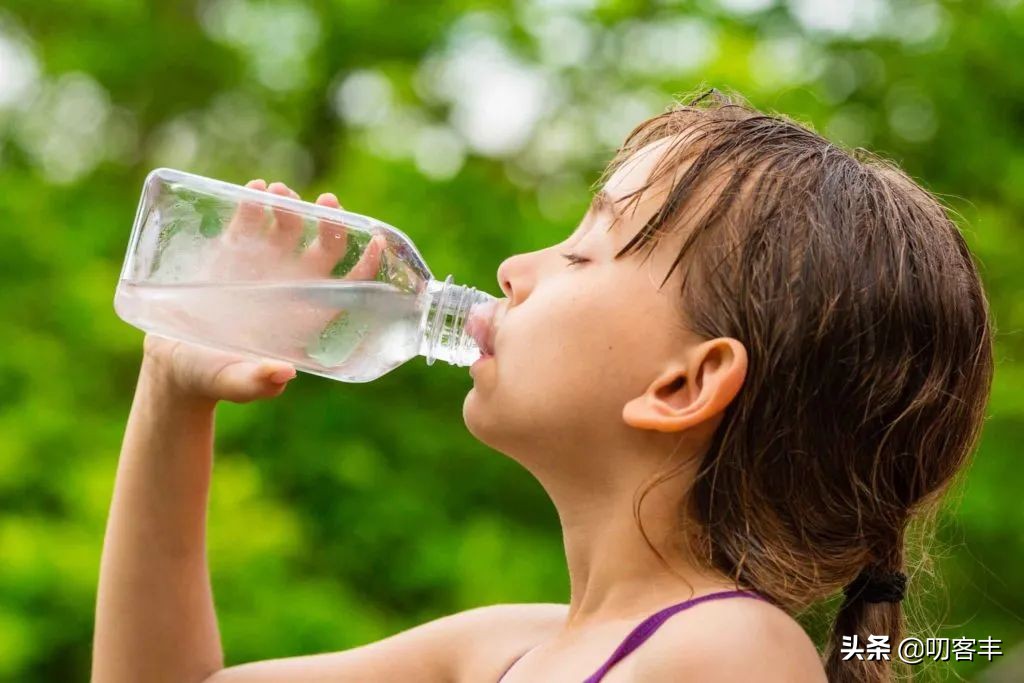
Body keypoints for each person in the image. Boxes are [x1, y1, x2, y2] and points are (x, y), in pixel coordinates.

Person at [91, 90, 994, 683]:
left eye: (583, 251)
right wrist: (174, 387)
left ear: (683, 383)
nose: (513, 268)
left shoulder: (730, 648)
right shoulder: (502, 648)